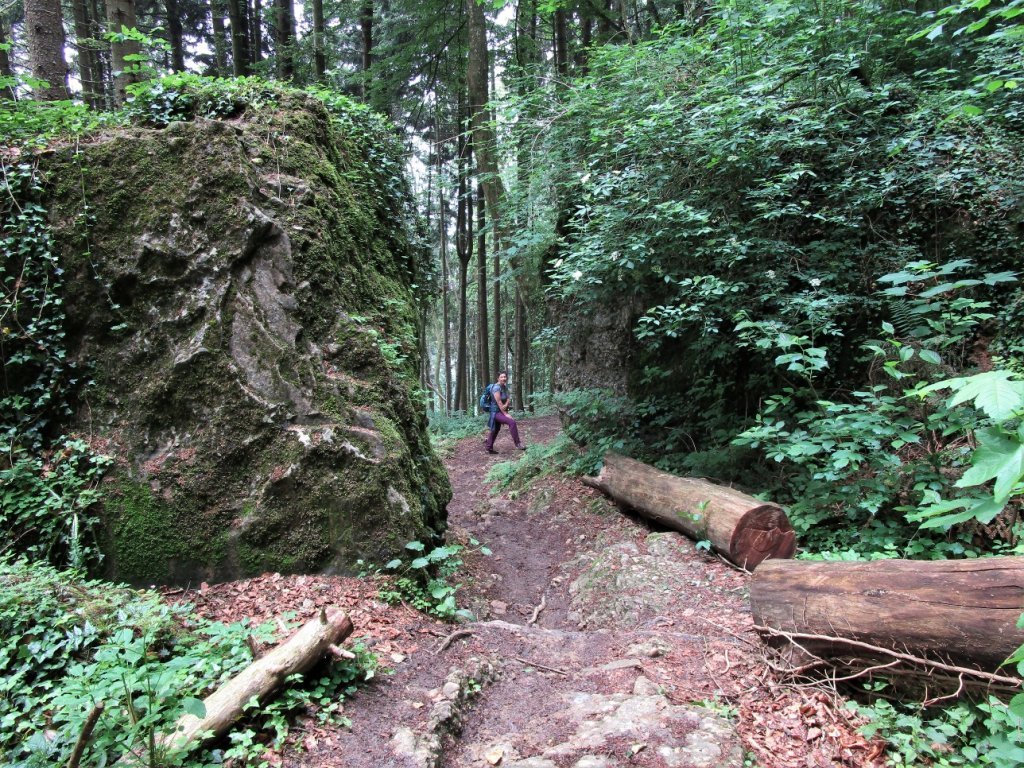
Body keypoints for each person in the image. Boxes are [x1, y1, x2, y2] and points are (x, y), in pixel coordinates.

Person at [485, 371, 526, 454]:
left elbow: (508, 399)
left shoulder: (503, 387)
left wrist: (507, 403)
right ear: (498, 378)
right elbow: (499, 402)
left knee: (495, 429)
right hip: (495, 412)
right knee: (512, 422)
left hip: (500, 411)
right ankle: (518, 444)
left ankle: (489, 447)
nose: (504, 378)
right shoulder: (496, 388)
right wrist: (506, 414)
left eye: (505, 377)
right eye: (501, 377)